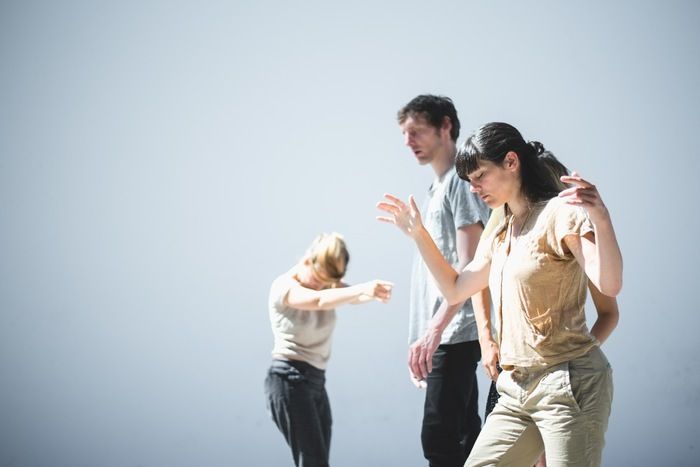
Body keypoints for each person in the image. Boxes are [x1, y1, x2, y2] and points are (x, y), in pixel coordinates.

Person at [377, 122, 622, 467]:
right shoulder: (501, 229)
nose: (475, 189)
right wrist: (419, 234)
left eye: (480, 176)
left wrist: (601, 218)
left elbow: (609, 286)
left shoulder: (559, 214)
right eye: (469, 181)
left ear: (511, 162)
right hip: (515, 388)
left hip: (566, 387)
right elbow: (456, 288)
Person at [479, 152, 620, 467]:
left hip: (561, 380)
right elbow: (474, 278)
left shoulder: (570, 237)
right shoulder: (506, 232)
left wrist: (570, 357)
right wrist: (486, 337)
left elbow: (609, 310)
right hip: (512, 378)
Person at [395, 95, 491, 467]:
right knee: (467, 440)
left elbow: (470, 266)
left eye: (416, 131)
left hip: (457, 333)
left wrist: (434, 331)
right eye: (405, 134)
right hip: (444, 335)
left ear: (445, 127)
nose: (409, 141)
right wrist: (424, 334)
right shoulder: (437, 189)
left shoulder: (460, 185)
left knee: (439, 441)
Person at [264, 233, 393, 467]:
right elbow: (319, 301)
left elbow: (348, 297)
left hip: (315, 383)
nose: (319, 284)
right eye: (317, 278)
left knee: (319, 461)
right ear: (307, 259)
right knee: (313, 461)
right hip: (288, 380)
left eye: (326, 281)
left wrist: (372, 293)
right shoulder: (284, 286)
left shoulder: (327, 287)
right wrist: (362, 289)